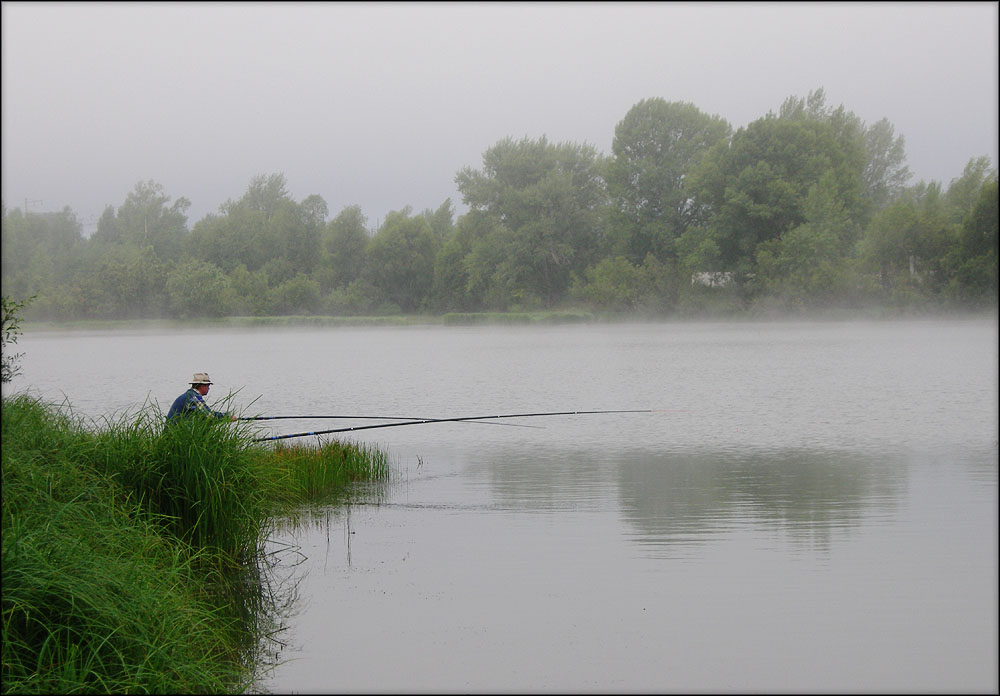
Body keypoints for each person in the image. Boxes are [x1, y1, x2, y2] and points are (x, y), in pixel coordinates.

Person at [166, 372, 233, 422]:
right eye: (208, 386)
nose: (209, 389)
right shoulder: (193, 398)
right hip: (174, 435)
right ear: (202, 386)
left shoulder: (188, 395)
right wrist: (227, 417)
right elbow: (209, 416)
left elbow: (203, 416)